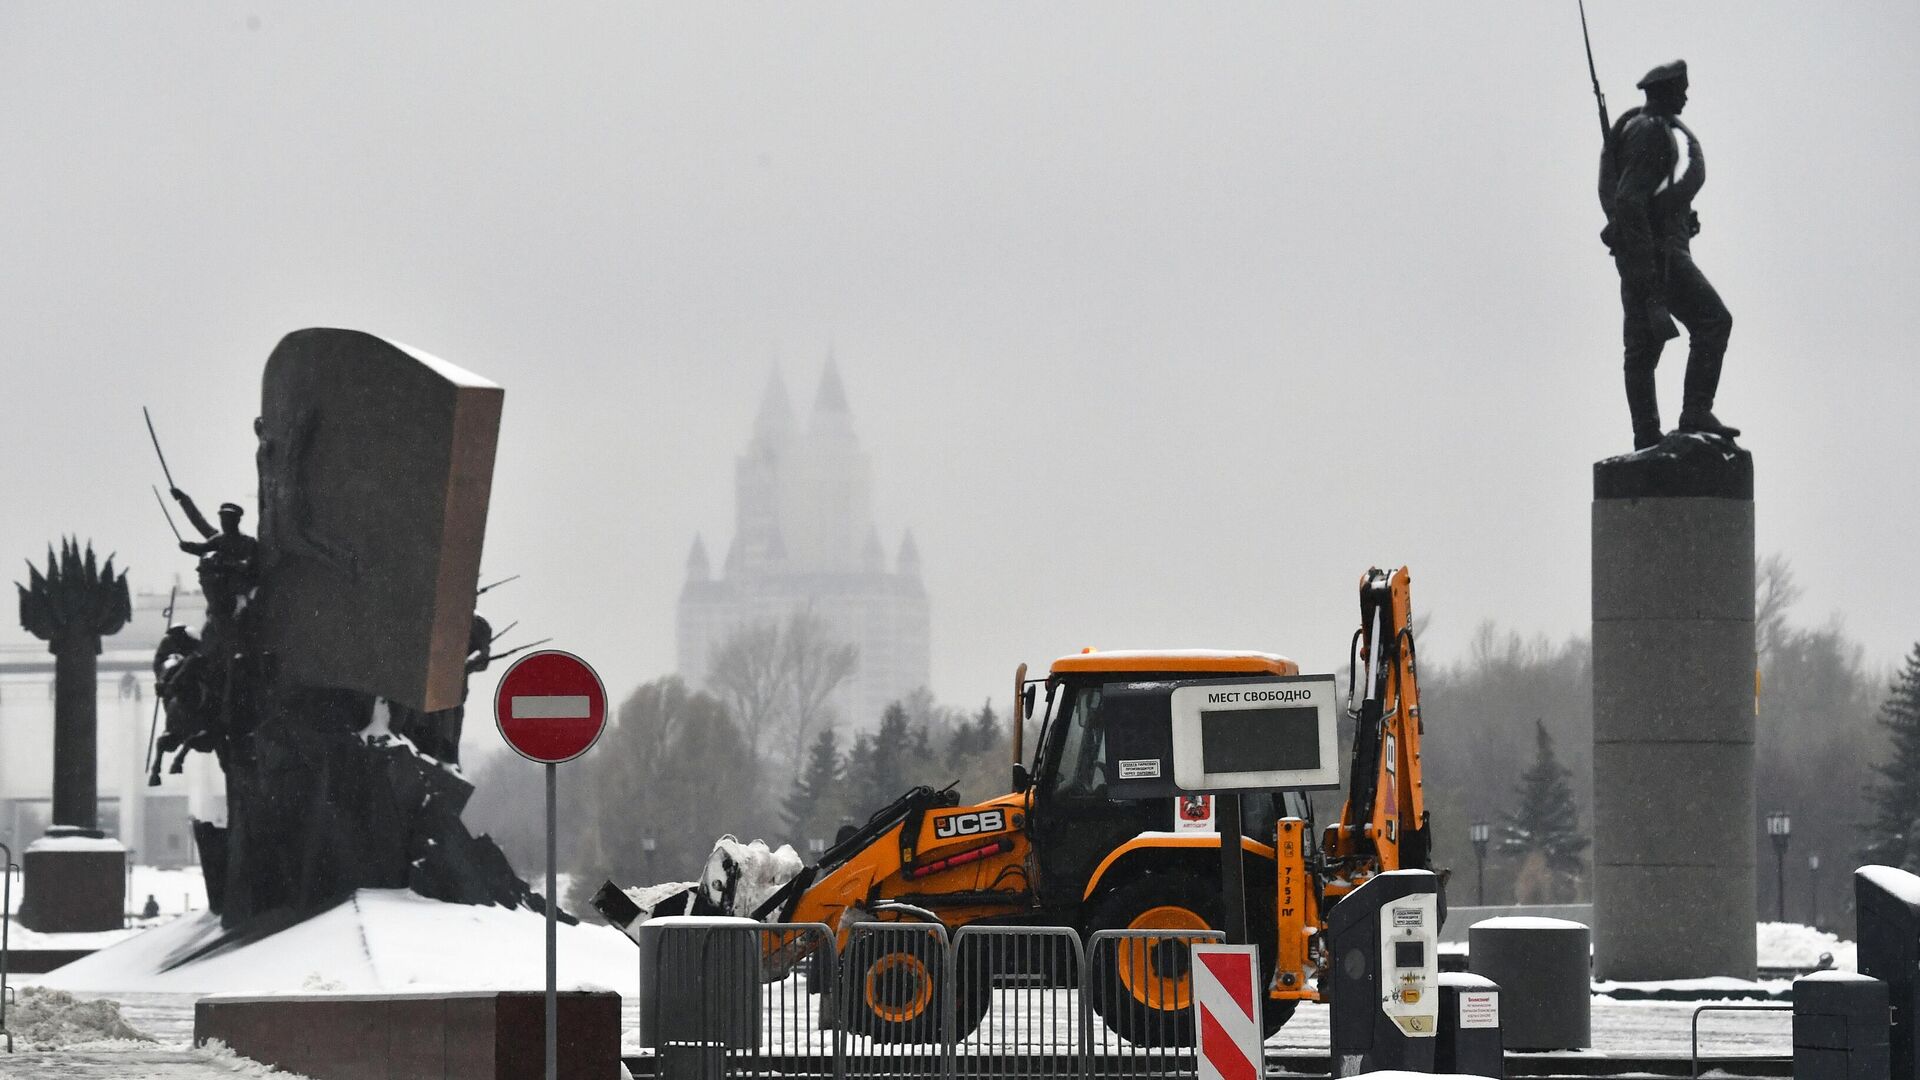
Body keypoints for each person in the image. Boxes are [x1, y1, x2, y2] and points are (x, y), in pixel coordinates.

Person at [1602, 60, 1739, 450]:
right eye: (1680, 90)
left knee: (1644, 347)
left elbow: (1645, 196)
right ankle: (1692, 410)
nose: (1685, 96)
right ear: (1663, 92)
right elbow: (1629, 201)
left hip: (1654, 251)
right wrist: (1647, 278)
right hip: (1658, 256)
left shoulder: (1646, 129)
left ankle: (1649, 433)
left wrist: (1681, 215)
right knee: (1712, 320)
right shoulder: (1650, 132)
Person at [171, 489, 259, 620]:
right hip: (220, 592)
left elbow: (248, 565)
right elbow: (201, 542)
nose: (224, 524)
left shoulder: (248, 542)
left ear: (236, 521)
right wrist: (188, 547)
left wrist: (226, 563)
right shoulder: (218, 539)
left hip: (240, 594)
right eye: (222, 520)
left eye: (228, 520)